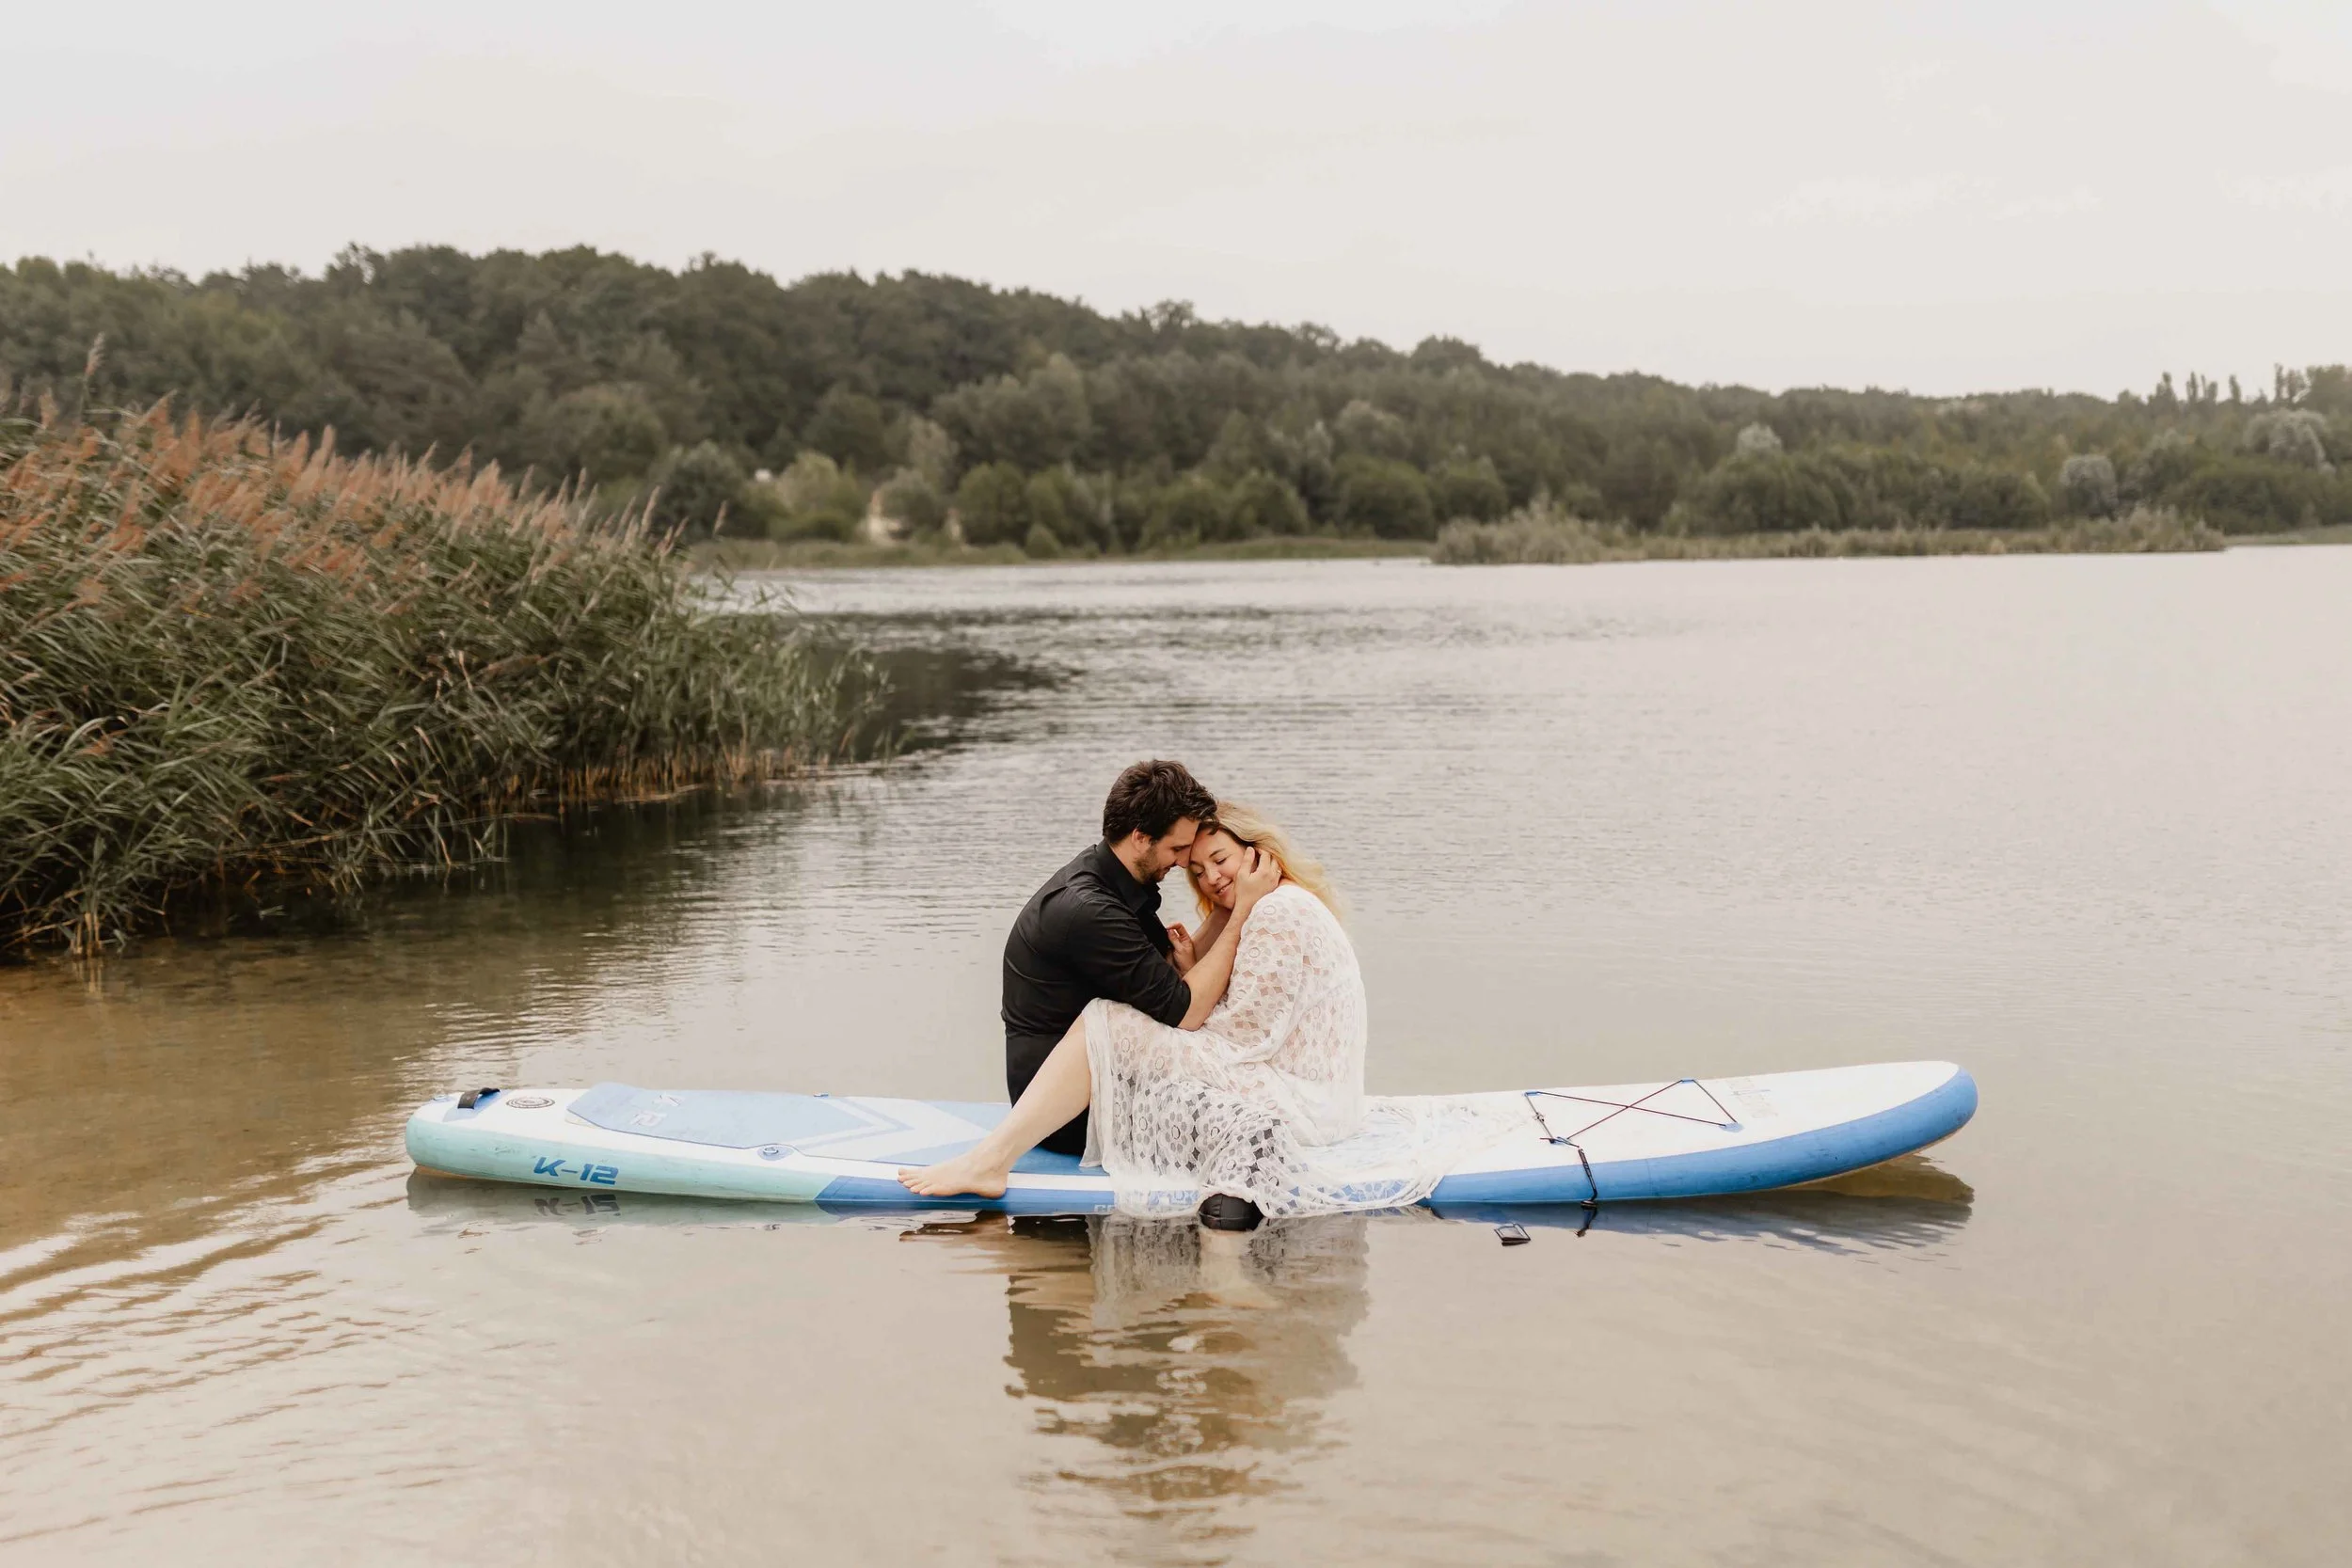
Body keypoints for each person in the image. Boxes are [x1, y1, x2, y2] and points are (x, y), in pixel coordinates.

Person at [903, 800, 1375, 1217]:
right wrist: (1203, 956)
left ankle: (989, 1163)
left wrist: (1189, 986)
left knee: (1107, 1021)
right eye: (1195, 868)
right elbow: (1233, 1015)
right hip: (1310, 1094)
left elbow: (1243, 1038)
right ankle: (990, 1159)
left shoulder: (1274, 913)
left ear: (1258, 853)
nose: (1210, 878)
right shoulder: (1276, 905)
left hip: (1295, 1100)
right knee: (1120, 1024)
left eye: (1220, 859)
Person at [993, 760, 1274, 1158]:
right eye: (1177, 849)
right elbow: (1186, 1010)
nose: (1182, 862)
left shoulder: (1113, 880)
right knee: (1256, 1131)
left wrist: (1225, 908)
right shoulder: (1090, 910)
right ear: (1141, 837)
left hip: (1103, 1082)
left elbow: (1167, 980)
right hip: (1066, 1116)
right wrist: (1243, 908)